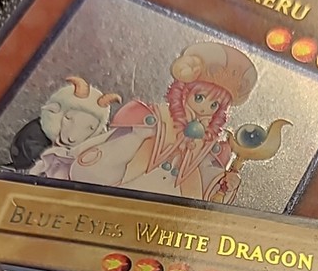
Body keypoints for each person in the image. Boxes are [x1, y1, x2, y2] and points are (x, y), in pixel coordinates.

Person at [68, 41, 259, 204]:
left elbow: (210, 196)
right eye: (199, 97)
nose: (204, 108)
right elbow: (118, 151)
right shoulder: (155, 118)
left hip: (170, 209)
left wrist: (227, 185)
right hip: (132, 190)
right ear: (184, 92)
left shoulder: (210, 146)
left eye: (214, 104)